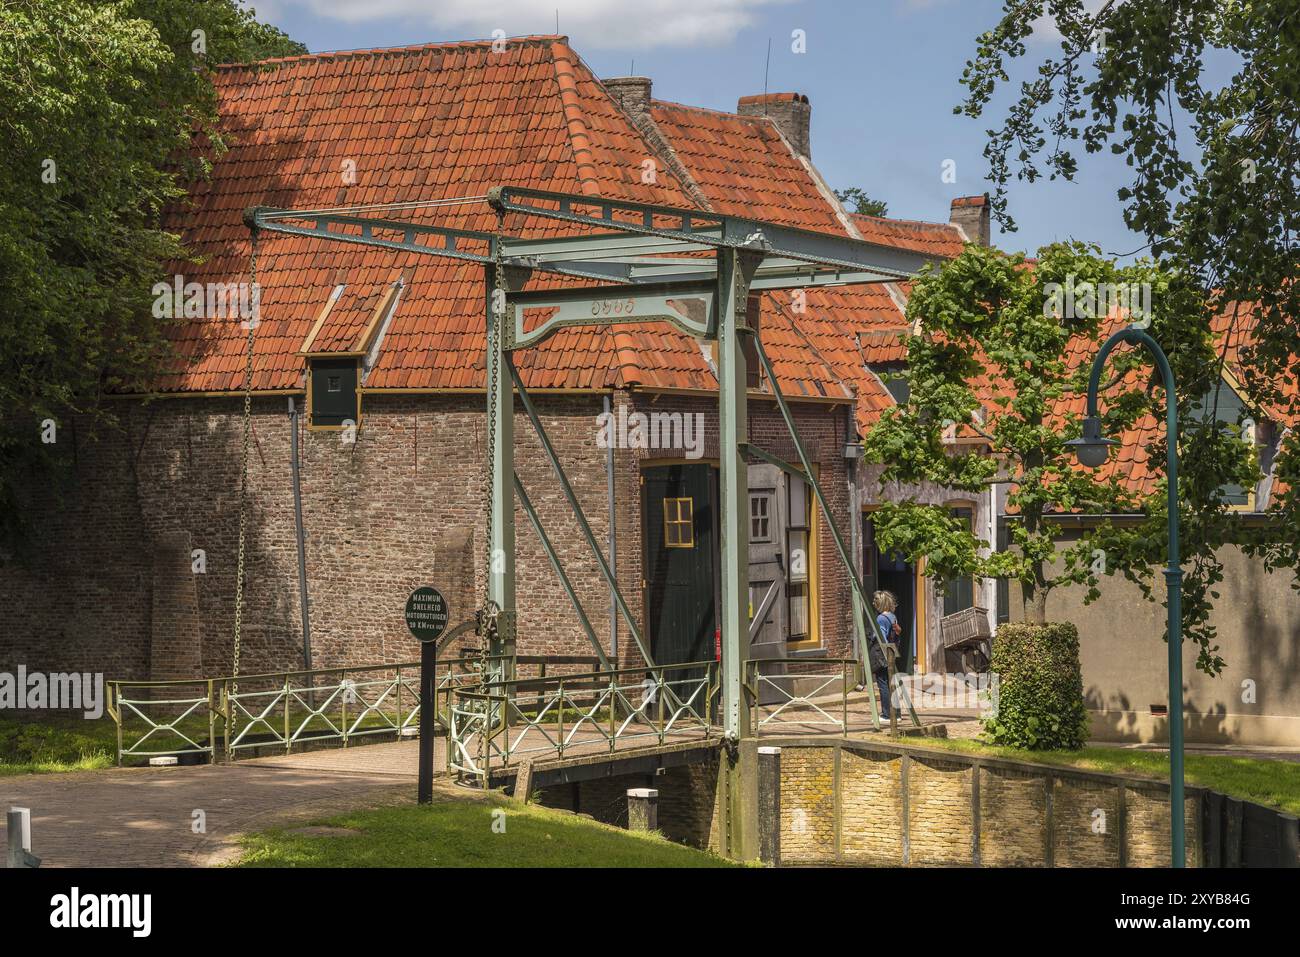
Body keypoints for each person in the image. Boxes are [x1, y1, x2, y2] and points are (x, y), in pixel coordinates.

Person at [870, 590, 902, 720]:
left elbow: (881, 637)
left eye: (875, 602)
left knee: (883, 684)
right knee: (891, 684)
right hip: (891, 652)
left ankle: (886, 714)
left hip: (882, 654)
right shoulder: (892, 616)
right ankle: (897, 714)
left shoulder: (881, 618)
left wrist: (872, 636)